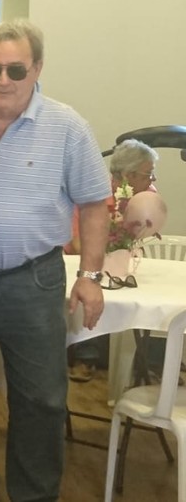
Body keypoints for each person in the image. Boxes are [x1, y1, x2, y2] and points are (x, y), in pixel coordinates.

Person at [0, 19, 111, 502]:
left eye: (16, 69)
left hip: (33, 281)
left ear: (37, 69)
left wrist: (91, 276)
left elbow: (94, 204)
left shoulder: (67, 126)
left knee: (41, 397)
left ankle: (34, 494)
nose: (3, 80)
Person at [66, 138, 159, 381]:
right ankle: (86, 357)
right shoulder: (94, 195)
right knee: (95, 290)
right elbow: (78, 246)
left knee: (144, 298)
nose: (152, 180)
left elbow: (144, 235)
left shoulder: (147, 195)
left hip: (122, 266)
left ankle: (143, 363)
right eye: (148, 174)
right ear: (128, 175)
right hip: (81, 267)